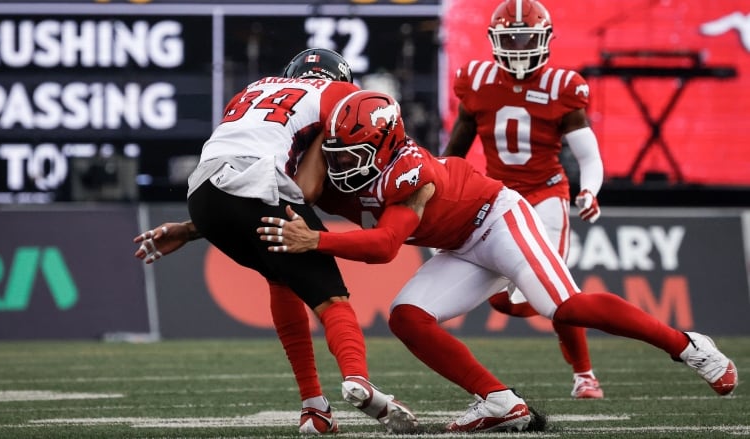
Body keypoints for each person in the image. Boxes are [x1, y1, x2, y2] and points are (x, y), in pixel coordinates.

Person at [256, 90, 738, 433]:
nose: (341, 165)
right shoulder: (343, 168)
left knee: (562, 308)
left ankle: (688, 345)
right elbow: (307, 188)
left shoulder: (408, 173)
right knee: (408, 318)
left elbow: (384, 248)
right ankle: (499, 401)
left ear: (384, 147)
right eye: (335, 154)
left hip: (497, 220)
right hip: (459, 246)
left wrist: (315, 242)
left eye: (352, 155)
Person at [134, 48, 418, 435]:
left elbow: (231, 174)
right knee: (332, 300)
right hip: (257, 186)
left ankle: (315, 410)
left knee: (280, 278)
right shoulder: (336, 97)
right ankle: (358, 378)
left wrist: (188, 229)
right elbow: (307, 189)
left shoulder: (251, 90)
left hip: (201, 196)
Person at [442, 0, 605, 399]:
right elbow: (455, 149)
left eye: (525, 38)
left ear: (544, 39)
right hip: (498, 197)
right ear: (494, 41)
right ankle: (531, 294)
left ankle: (584, 374)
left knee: (560, 294)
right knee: (506, 305)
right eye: (509, 38)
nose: (517, 46)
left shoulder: (562, 87)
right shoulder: (477, 81)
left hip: (547, 193)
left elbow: (589, 155)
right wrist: (440, 185)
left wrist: (589, 190)